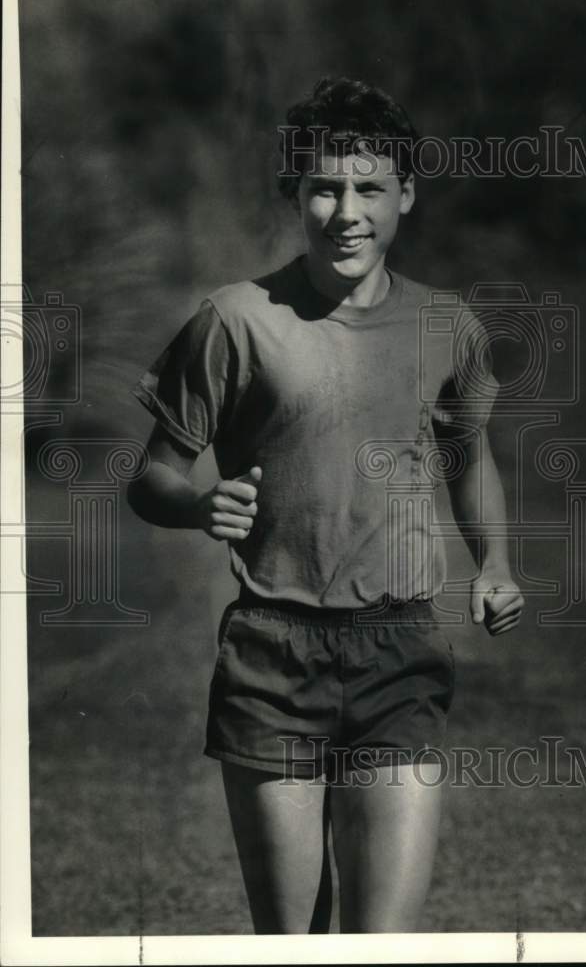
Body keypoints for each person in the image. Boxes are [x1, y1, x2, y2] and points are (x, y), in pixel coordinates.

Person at [127, 76, 524, 934]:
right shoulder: (234, 321)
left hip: (399, 651)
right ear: (294, 194)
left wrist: (494, 564)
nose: (347, 211)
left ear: (405, 195)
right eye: (324, 188)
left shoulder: (447, 326)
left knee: (383, 942)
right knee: (294, 944)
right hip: (272, 656)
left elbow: (468, 457)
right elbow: (151, 476)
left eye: (370, 188)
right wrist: (199, 507)